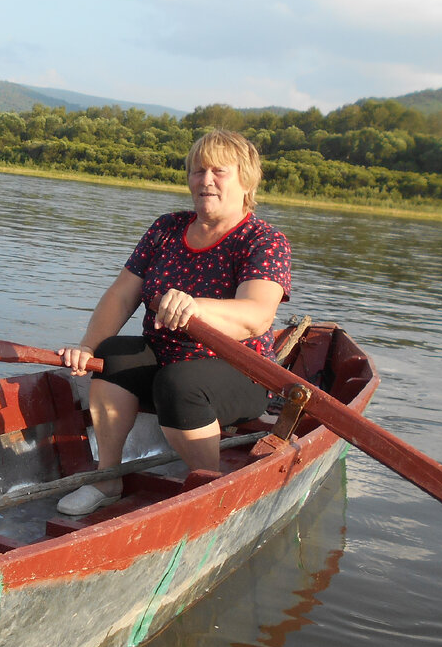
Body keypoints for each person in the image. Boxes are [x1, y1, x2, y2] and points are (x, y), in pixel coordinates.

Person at [55, 129, 291, 516]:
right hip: (166, 358)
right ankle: (107, 478)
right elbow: (121, 295)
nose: (205, 180)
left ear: (246, 180)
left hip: (238, 371)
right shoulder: (166, 228)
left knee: (179, 382)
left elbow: (256, 316)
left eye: (219, 171)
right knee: (114, 354)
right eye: (197, 171)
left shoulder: (263, 240)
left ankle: (207, 487)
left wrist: (196, 307)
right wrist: (87, 346)